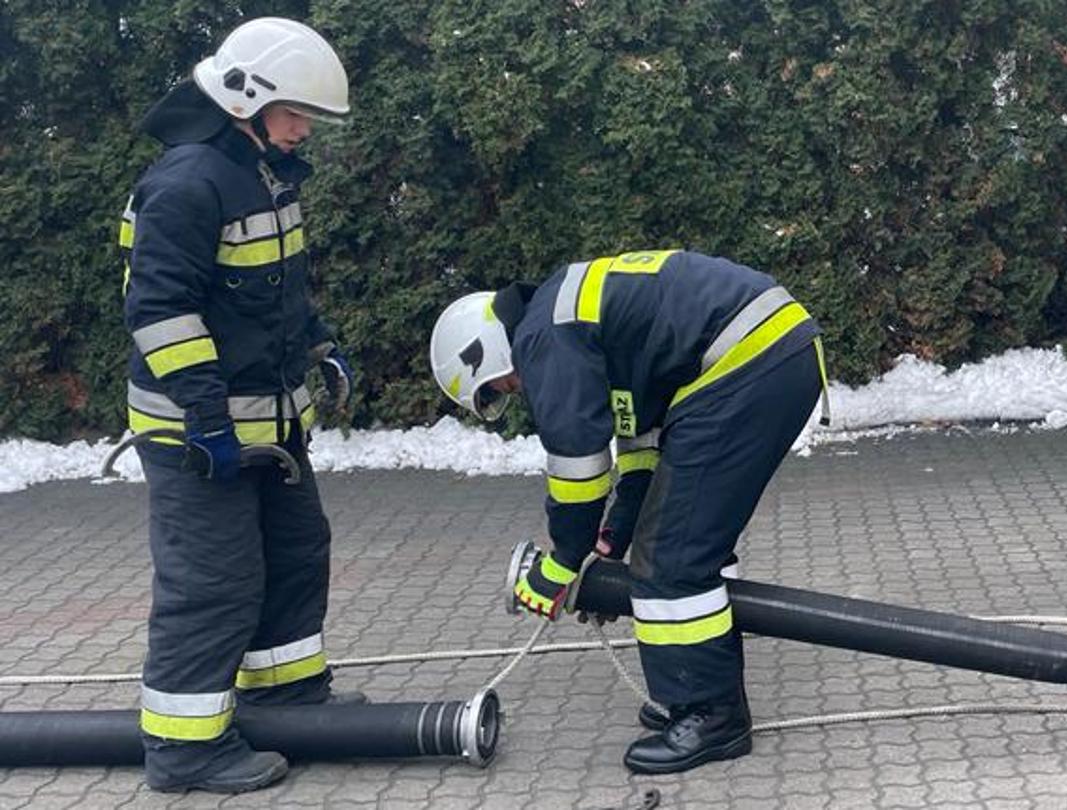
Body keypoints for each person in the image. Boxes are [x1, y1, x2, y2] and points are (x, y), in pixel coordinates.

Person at [429, 249, 826, 775]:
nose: (516, 391)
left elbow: (578, 466)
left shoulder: (542, 337)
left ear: (486, 353)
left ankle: (713, 715)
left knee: (673, 559)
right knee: (674, 540)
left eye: (499, 388)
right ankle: (693, 689)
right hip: (763, 358)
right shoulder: (569, 318)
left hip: (750, 366)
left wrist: (563, 563)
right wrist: (614, 538)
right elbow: (640, 451)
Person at [118, 17, 359, 793]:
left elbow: (272, 288)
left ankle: (288, 700)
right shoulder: (187, 183)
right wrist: (207, 419)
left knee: (295, 555)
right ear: (243, 99)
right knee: (214, 583)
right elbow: (160, 313)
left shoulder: (262, 171)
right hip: (201, 436)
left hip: (271, 429)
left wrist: (318, 345)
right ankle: (184, 749)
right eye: (293, 114)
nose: (302, 130)